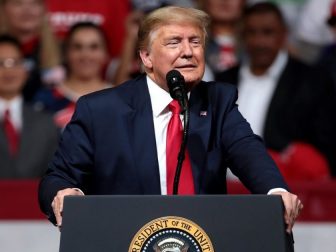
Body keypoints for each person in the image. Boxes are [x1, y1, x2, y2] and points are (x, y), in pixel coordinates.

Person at [38, 6, 303, 234]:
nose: (188, 52)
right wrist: (63, 194)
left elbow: (248, 150)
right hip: (126, 239)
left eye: (195, 42)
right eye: (174, 42)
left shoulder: (217, 101)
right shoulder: (101, 110)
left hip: (204, 239)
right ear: (146, 57)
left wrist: (275, 191)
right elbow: (58, 178)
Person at [216, 2, 334, 179]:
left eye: (267, 32)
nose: (259, 41)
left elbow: (325, 146)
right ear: (242, 36)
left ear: (283, 35)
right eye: (251, 32)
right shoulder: (223, 81)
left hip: (287, 192)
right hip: (224, 192)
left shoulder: (312, 81)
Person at [0, 34, 59, 178]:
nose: (9, 71)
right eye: (1, 63)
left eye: (15, 62)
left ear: (26, 71)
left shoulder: (47, 122)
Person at [33, 22, 112, 128]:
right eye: (77, 47)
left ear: (106, 54)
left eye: (94, 47)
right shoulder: (45, 100)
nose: (85, 55)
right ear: (66, 53)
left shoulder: (121, 101)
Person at [0, 0, 63, 101]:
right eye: (18, 3)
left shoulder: (64, 51)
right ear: (3, 8)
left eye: (35, 3)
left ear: (43, 9)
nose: (27, 11)